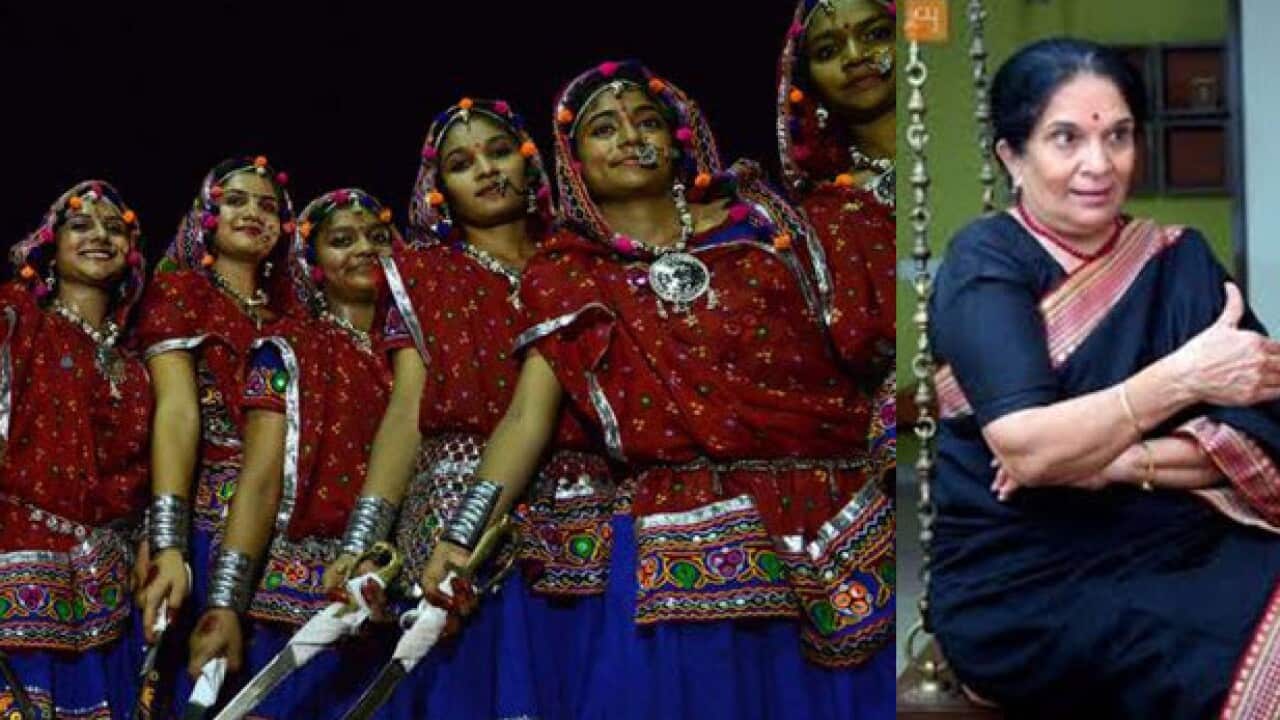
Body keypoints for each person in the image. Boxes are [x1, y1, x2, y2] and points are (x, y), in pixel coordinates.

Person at [411, 62, 894, 719]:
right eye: (603, 129)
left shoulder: (765, 226)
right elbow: (526, 418)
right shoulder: (568, 276)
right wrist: (461, 539)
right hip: (685, 527)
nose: (629, 137)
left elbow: (866, 345)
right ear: (572, 161)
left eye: (647, 121)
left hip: (837, 511)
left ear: (679, 137)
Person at [928, 37, 1280, 719]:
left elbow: (1263, 421)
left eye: (1118, 136)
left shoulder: (1179, 260)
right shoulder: (986, 262)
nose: (1099, 164)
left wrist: (1119, 461)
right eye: (1065, 139)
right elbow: (1030, 449)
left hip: (1181, 541)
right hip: (1030, 588)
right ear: (1012, 155)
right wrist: (1181, 379)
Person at [327, 98, 616, 719]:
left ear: (530, 161)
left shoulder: (582, 261)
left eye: (499, 151)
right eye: (461, 163)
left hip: (585, 517)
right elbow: (406, 413)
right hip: (454, 530)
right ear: (441, 190)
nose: (485, 169)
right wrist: (361, 541)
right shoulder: (420, 274)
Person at [183, 188, 401, 718]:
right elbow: (258, 481)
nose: (365, 250)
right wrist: (224, 606)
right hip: (299, 601)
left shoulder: (418, 355)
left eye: (378, 237)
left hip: (398, 594)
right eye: (342, 240)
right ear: (312, 265)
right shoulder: (285, 349)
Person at [134, 155, 296, 713]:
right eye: (237, 200)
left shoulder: (294, 317)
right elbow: (178, 415)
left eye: (269, 205)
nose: (254, 212)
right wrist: (170, 545)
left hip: (289, 531)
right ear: (207, 216)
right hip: (207, 526)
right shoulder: (180, 293)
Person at [0, 181, 151, 718]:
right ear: (50, 244)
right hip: (16, 566)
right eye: (81, 225)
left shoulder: (137, 366)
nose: (101, 236)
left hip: (107, 596)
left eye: (115, 228)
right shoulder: (18, 321)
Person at [777, 0, 898, 486]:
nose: (855, 56)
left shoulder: (986, 154)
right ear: (808, 85)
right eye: (829, 49)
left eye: (875, 35)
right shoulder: (818, 219)